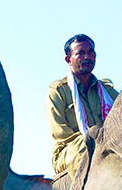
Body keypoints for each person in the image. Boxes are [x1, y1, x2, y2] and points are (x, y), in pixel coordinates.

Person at [46, 33, 116, 176]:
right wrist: (96, 139)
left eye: (91, 52)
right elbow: (62, 136)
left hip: (106, 143)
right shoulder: (58, 91)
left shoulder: (108, 92)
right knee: (82, 149)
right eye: (80, 53)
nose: (87, 57)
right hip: (71, 150)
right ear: (68, 59)